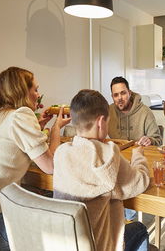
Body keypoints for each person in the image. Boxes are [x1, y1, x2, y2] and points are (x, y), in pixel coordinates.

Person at [0, 67, 71, 251]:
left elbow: (10, 146)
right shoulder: (21, 115)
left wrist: (39, 126)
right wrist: (56, 130)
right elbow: (50, 166)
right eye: (35, 89)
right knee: (63, 226)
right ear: (23, 91)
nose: (38, 95)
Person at [53, 89, 150, 251]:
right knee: (139, 228)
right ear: (101, 122)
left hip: (67, 244)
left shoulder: (61, 153)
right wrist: (138, 156)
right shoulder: (108, 155)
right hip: (99, 245)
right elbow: (139, 182)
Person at [108, 76, 162, 146]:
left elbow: (158, 140)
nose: (120, 98)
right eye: (116, 95)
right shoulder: (108, 112)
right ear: (112, 97)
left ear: (129, 93)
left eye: (123, 93)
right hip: (117, 155)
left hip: (139, 154)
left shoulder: (145, 112)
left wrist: (150, 140)